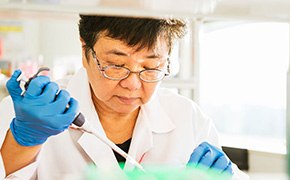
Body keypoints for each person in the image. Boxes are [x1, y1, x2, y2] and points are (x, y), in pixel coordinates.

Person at [0, 15, 248, 179]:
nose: (132, 84)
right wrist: (23, 141)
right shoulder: (25, 112)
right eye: (116, 65)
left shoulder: (188, 118)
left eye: (151, 67)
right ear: (85, 49)